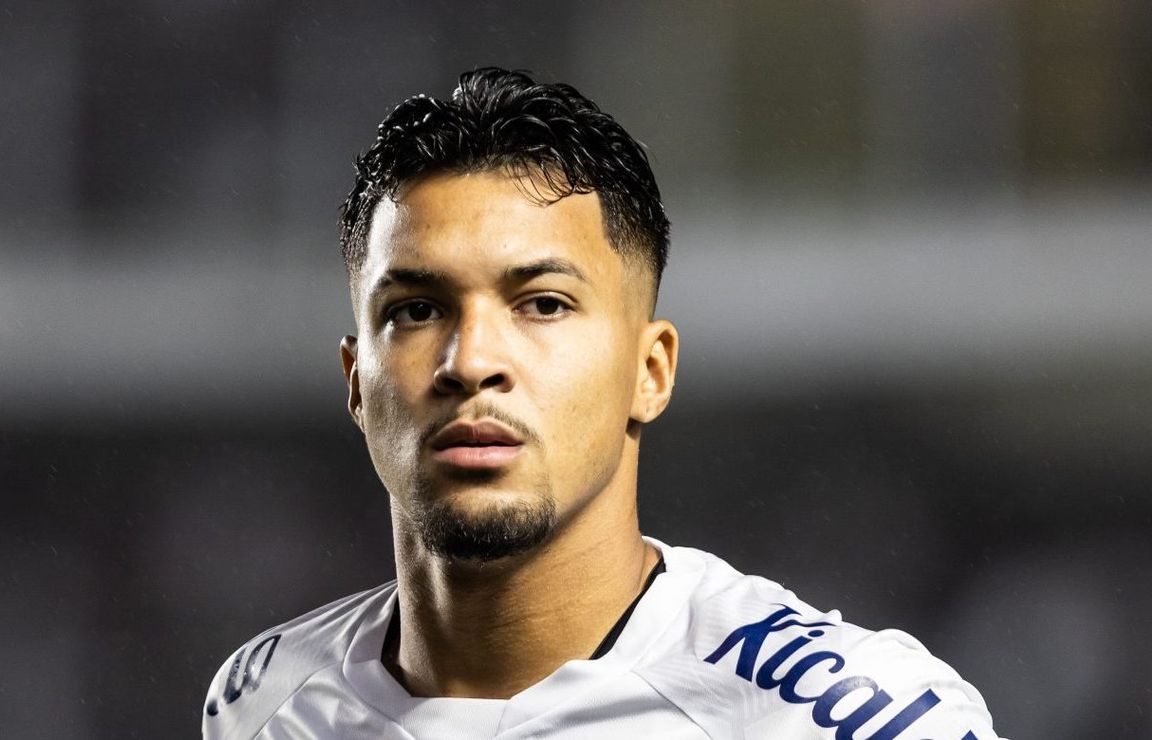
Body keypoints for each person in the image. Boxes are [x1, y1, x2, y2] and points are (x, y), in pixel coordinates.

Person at [202, 67, 1004, 739]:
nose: (471, 362)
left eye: (543, 304)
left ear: (650, 372)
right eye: (416, 310)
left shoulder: (844, 719)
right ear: (355, 381)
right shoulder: (262, 703)